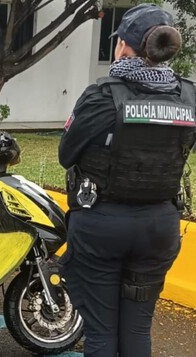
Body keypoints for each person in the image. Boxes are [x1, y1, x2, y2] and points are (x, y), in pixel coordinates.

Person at [58, 4, 195, 357]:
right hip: (158, 228)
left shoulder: (103, 95)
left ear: (122, 47)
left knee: (102, 333)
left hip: (102, 225)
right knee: (137, 330)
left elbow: (66, 155)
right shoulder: (189, 96)